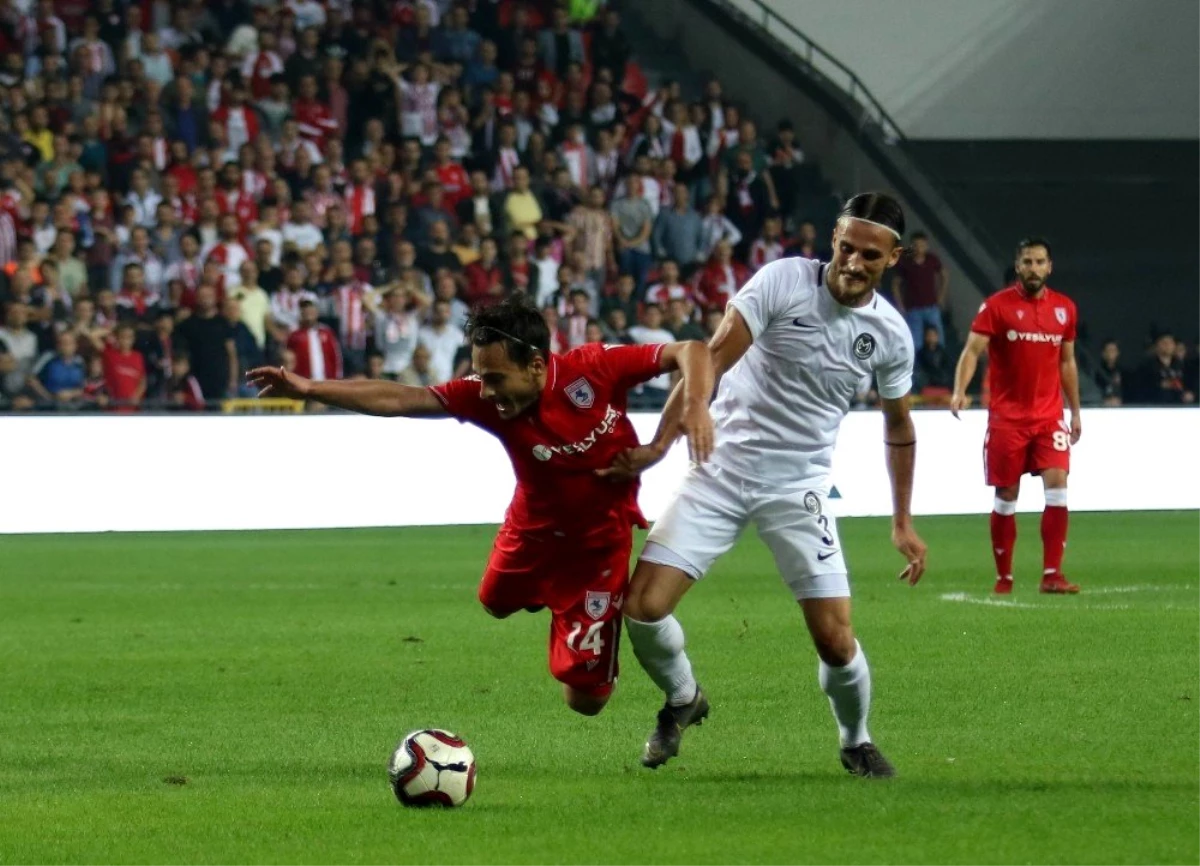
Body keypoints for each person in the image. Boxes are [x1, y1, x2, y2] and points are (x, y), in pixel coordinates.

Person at [248, 294, 714, 716]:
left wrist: (666, 436)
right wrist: (310, 389)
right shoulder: (483, 396)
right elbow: (401, 397)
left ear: (535, 364)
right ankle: (556, 603)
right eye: (481, 377)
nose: (485, 390)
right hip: (532, 531)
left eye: (494, 378)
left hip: (595, 548)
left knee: (586, 702)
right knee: (492, 602)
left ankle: (576, 613)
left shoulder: (593, 368)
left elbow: (691, 350)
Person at [607, 192, 926, 778]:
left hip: (799, 487)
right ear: (834, 237)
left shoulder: (890, 335)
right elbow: (712, 356)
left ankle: (855, 739)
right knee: (643, 610)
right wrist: (663, 442)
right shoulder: (783, 281)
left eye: (870, 255)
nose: (853, 263)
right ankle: (684, 698)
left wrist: (902, 520)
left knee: (834, 639)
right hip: (719, 471)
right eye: (847, 247)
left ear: (895, 257)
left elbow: (899, 427)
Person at [951, 237, 1082, 595]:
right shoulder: (996, 306)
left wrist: (1075, 412)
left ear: (1049, 267)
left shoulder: (1065, 309)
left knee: (1058, 488)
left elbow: (1067, 362)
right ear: (1018, 265)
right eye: (1028, 262)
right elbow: (971, 351)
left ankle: (1052, 574)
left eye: (1040, 262)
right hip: (1007, 420)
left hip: (1049, 417)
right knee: (1006, 496)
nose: (1034, 268)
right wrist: (960, 390)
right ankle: (1004, 578)